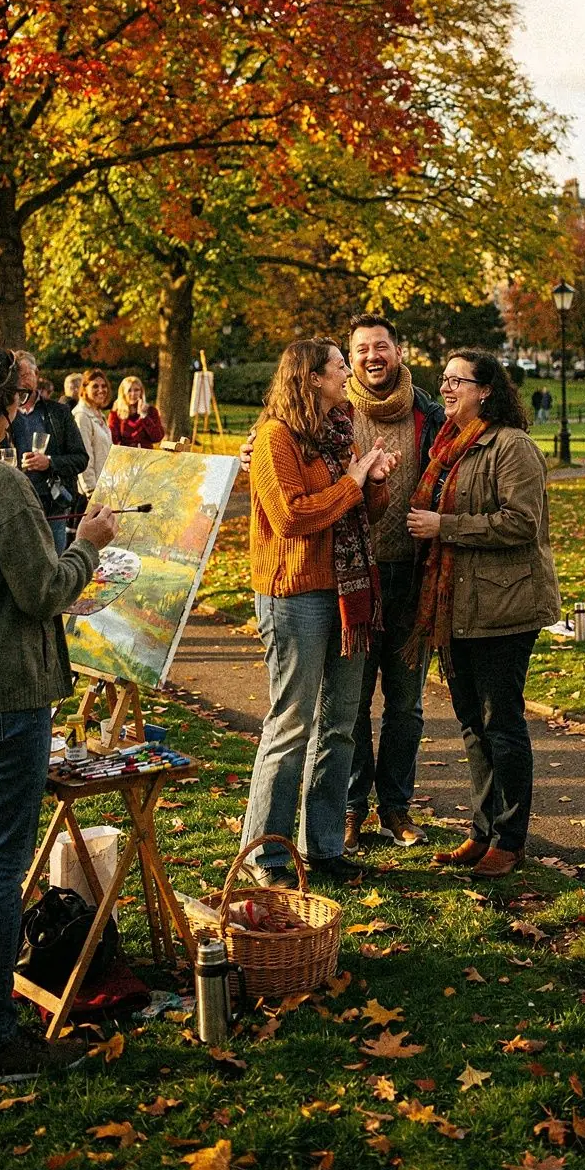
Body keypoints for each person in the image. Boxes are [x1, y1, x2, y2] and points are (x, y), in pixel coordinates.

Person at [0, 342, 117, 1081]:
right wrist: (88, 546)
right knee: (0, 870)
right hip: (5, 695)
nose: (24, 412)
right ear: (4, 404)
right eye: (20, 399)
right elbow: (41, 591)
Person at [239, 338, 398, 887]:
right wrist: (352, 483)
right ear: (310, 378)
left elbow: (361, 515)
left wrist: (372, 483)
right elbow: (292, 518)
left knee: (340, 726)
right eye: (337, 366)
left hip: (346, 596)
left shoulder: (340, 432)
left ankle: (324, 846)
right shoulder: (274, 439)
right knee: (290, 727)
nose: (345, 373)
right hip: (295, 597)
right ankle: (267, 857)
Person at [405, 349, 561, 879]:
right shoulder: (447, 446)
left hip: (506, 606)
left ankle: (510, 839)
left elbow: (521, 523)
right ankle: (482, 829)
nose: (446, 388)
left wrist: (444, 527)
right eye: (443, 380)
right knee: (473, 724)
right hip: (457, 607)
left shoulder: (510, 446)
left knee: (502, 723)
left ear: (486, 390)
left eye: (458, 381)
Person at [344, 315, 445, 850]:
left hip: (412, 574)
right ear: (351, 357)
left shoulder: (427, 411)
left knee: (405, 704)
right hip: (354, 576)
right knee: (353, 702)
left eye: (380, 346)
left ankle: (397, 809)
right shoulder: (333, 412)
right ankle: (353, 807)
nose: (371, 356)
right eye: (361, 349)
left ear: (398, 352)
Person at [6, 352, 88, 555]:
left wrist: (49, 462)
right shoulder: (4, 414)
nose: (21, 380)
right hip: (15, 507)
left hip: (52, 506)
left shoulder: (58, 413)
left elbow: (81, 459)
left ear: (37, 374)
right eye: (17, 375)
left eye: (26, 374)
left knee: (55, 565)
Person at [73, 369, 113, 497]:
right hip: (91, 492)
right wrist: (91, 490)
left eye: (104, 386)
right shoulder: (81, 416)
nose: (101, 390)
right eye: (95, 386)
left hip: (106, 485)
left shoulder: (100, 415)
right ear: (84, 389)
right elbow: (84, 456)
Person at [109, 376, 164, 449]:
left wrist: (144, 416)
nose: (133, 394)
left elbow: (157, 437)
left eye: (136, 390)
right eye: (129, 390)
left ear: (141, 392)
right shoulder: (116, 413)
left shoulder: (151, 411)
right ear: (123, 393)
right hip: (125, 455)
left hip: (146, 455)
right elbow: (113, 440)